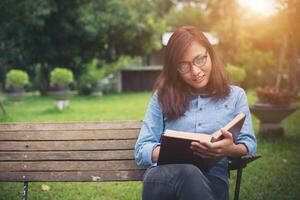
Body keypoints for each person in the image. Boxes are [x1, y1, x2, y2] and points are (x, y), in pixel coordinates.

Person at [135, 26, 257, 200]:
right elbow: (142, 149)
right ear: (174, 68)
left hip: (213, 180)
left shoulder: (236, 96)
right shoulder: (162, 97)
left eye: (200, 59)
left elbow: (248, 144)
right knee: (188, 172)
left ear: (211, 55)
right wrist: (175, 152)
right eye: (183, 65)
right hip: (163, 180)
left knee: (196, 179)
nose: (195, 71)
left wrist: (229, 149)